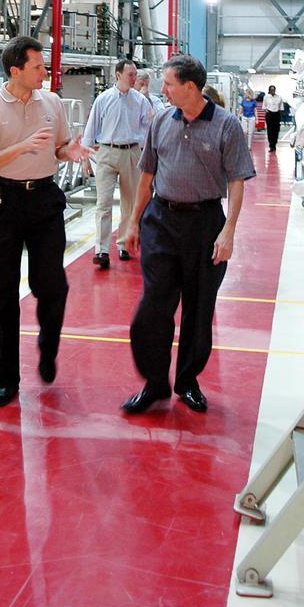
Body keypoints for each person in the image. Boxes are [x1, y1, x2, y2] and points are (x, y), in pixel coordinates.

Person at [119, 53, 255, 415]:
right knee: (152, 307)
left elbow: (237, 180)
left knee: (198, 309)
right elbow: (147, 174)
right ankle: (154, 383)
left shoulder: (226, 126)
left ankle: (188, 381)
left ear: (190, 87)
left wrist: (228, 231)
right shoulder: (162, 118)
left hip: (205, 224)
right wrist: (134, 221)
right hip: (161, 221)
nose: (162, 89)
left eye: (168, 84)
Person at [0, 35, 91, 408]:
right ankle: (6, 380)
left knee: (52, 285)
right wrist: (22, 146)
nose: (46, 72)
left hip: (44, 200)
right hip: (2, 200)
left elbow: (57, 146)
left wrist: (69, 151)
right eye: (38, 67)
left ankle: (47, 346)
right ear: (16, 70)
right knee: (2, 294)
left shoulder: (52, 102)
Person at [82, 59, 152, 269]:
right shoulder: (103, 99)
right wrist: (86, 158)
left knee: (130, 203)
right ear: (118, 75)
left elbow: (149, 130)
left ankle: (124, 244)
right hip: (106, 152)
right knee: (103, 204)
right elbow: (91, 129)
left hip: (132, 152)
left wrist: (148, 157)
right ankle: (101, 250)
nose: (134, 78)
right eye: (130, 74)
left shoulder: (140, 101)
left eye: (135, 74)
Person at [263, 84, 284, 151]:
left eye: (274, 90)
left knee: (276, 130)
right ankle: (271, 145)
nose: (273, 91)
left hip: (277, 114)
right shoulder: (266, 97)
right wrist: (266, 111)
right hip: (269, 114)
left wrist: (280, 114)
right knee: (270, 130)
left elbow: (281, 107)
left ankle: (274, 143)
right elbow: (264, 106)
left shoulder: (279, 97)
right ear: (269, 90)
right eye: (271, 90)